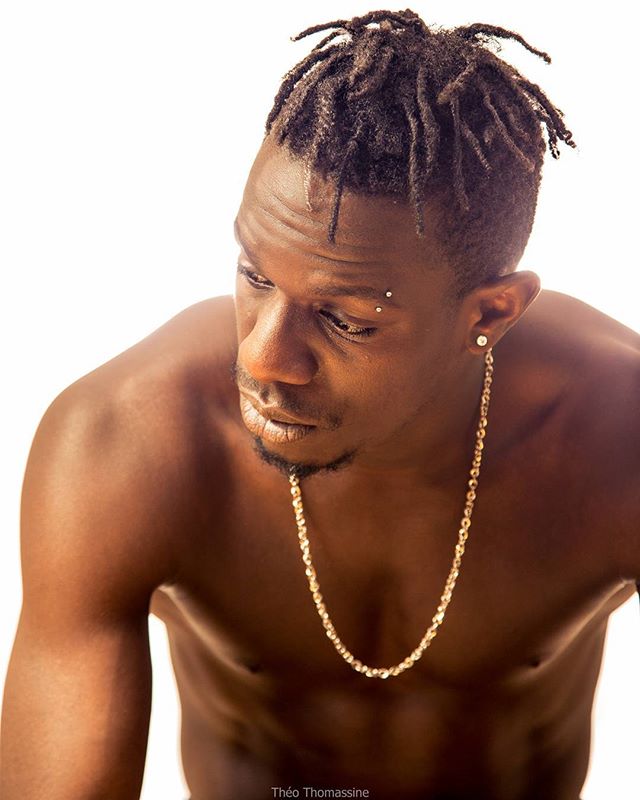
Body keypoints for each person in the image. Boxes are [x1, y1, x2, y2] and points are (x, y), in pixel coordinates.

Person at [1, 8, 638, 800]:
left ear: (489, 315)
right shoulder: (125, 442)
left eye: (347, 320)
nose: (262, 357)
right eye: (256, 275)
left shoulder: (618, 443)